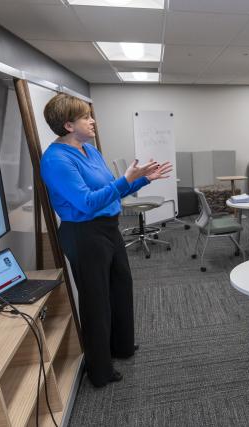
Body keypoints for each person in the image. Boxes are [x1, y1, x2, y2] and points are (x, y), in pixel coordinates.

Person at [40, 94, 172, 387]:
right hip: (84, 234)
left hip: (109, 228)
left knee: (120, 286)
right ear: (68, 125)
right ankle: (100, 370)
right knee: (96, 299)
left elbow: (111, 192)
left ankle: (122, 346)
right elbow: (87, 203)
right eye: (86, 117)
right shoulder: (56, 159)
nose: (92, 120)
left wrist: (141, 180)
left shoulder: (90, 151)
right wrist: (125, 180)